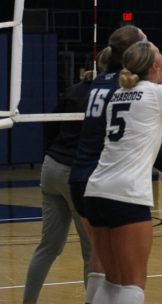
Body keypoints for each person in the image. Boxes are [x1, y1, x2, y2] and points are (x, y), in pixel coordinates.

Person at [68, 25, 162, 303]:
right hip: (121, 188)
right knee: (130, 282)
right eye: (147, 42)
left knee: (106, 271)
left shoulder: (108, 86)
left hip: (90, 183)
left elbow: (158, 127)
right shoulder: (143, 90)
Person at [22, 63, 104, 303]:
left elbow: (51, 125)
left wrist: (52, 152)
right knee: (91, 249)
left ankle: (28, 301)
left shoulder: (73, 90)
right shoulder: (108, 94)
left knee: (48, 246)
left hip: (51, 167)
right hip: (75, 173)